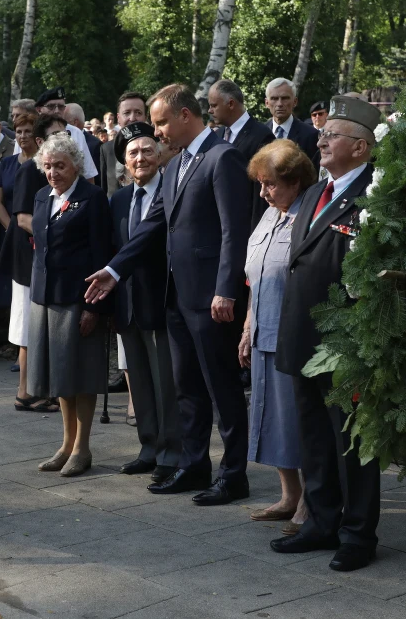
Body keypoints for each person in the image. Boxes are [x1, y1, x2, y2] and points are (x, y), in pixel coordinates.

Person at [85, 83, 252, 506]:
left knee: (223, 390)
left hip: (212, 300)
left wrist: (226, 290)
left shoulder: (223, 157)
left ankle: (234, 475)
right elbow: (154, 226)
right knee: (187, 388)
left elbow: (234, 232)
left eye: (160, 122)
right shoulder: (176, 164)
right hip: (176, 297)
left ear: (185, 116)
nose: (156, 131)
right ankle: (193, 466)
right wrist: (114, 270)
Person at [266, 96, 382, 572]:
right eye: (323, 133)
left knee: (351, 443)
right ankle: (321, 521)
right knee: (314, 437)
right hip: (303, 335)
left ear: (360, 146)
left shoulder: (376, 195)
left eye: (332, 135)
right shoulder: (316, 191)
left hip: (346, 342)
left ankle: (358, 534)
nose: (321, 141)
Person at [239, 139, 317, 527]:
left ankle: (310, 502)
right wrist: (247, 326)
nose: (263, 193)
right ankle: (289, 495)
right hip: (262, 329)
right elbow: (255, 277)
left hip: (293, 335)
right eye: (261, 184)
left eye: (270, 184)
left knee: (296, 421)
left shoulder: (309, 216)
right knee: (270, 417)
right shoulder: (270, 214)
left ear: (295, 181)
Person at [29, 133, 112, 477]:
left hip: (79, 299)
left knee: (82, 374)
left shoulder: (93, 198)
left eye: (60, 166)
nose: (53, 173)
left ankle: (82, 448)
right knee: (61, 375)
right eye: (48, 166)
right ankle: (66, 444)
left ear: (76, 165)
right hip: (46, 297)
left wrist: (94, 307)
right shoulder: (41, 196)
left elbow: (102, 253)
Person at [109, 122, 182, 483]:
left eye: (147, 150)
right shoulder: (119, 200)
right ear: (124, 161)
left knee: (165, 383)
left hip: (162, 301)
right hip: (127, 305)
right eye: (133, 153)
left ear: (159, 153)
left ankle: (171, 453)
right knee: (138, 382)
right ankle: (149, 448)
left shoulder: (173, 190)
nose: (141, 158)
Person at [9, 114, 71, 413]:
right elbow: (22, 218)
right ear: (39, 141)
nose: (63, 140)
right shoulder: (29, 170)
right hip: (29, 262)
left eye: (66, 134)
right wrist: (59, 234)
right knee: (27, 329)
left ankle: (39, 389)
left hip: (47, 258)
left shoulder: (60, 170)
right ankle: (25, 392)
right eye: (55, 135)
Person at [208, 78, 276, 228]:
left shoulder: (261, 135)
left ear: (231, 104)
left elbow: (261, 191)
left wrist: (256, 234)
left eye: (214, 105)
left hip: (245, 226)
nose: (210, 110)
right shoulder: (216, 135)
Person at [0, 113, 35, 319]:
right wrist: (12, 227)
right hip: (9, 234)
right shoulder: (7, 163)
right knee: (11, 290)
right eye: (19, 131)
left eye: (28, 131)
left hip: (34, 235)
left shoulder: (44, 164)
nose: (23, 136)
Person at [100, 92, 149, 196]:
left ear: (145, 117)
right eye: (127, 113)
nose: (132, 118)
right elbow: (103, 190)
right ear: (118, 118)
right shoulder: (106, 149)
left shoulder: (157, 148)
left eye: (138, 113)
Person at [264, 78, 319, 162]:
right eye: (274, 98)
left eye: (285, 98)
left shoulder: (311, 135)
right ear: (267, 103)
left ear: (295, 102)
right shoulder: (260, 133)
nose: (279, 104)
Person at [64, 103, 102, 175]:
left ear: (75, 122)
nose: (62, 125)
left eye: (65, 122)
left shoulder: (95, 145)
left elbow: (96, 176)